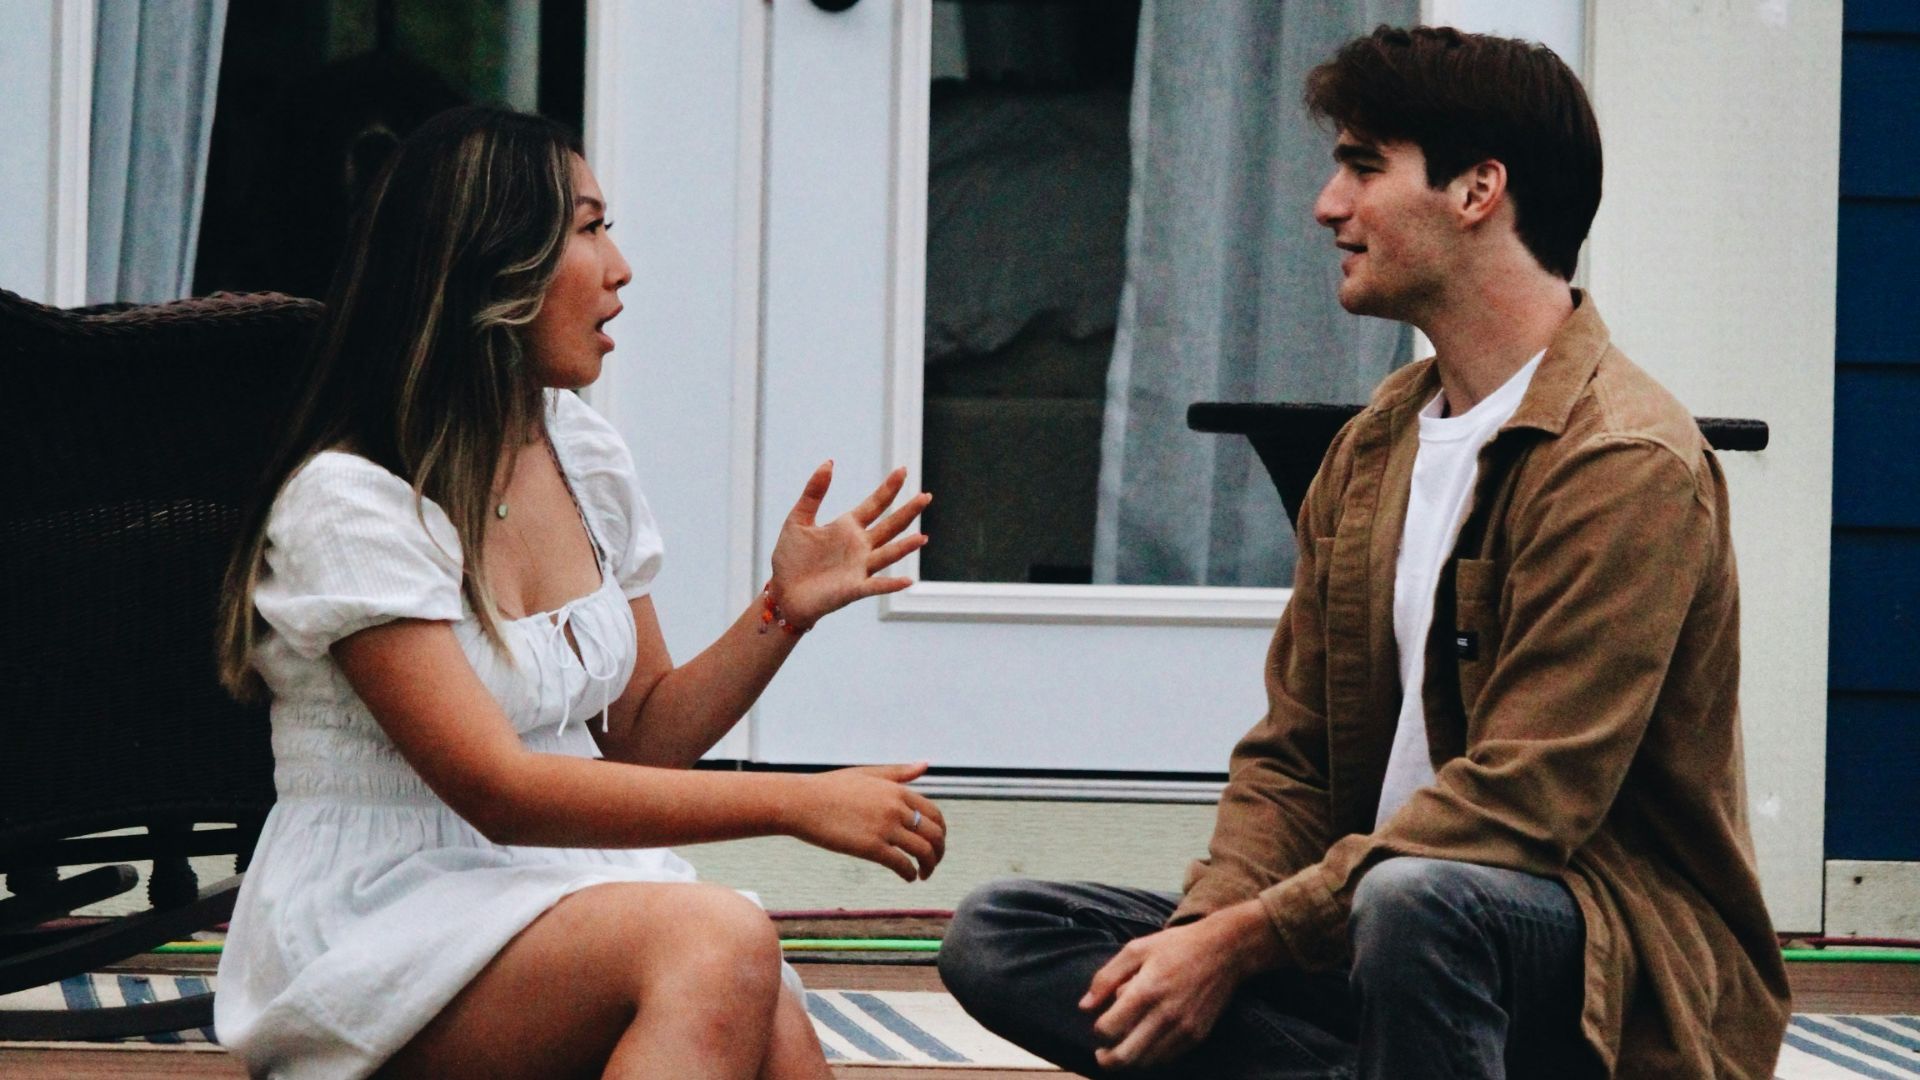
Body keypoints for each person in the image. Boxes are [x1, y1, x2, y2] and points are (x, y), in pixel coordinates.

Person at [940, 25, 1789, 1079]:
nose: (1326, 204)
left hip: (1600, 971)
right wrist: (1200, 937)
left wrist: (1242, 944)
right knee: (1004, 934)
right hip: (1376, 932)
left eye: (1362, 165)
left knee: (1418, 901)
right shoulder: (1378, 444)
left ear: (1477, 190)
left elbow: (1520, 809)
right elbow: (1294, 759)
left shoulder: (1621, 460)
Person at [211, 105, 946, 1080]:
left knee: (761, 997)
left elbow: (641, 735)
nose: (620, 268)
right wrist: (794, 802)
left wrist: (780, 612)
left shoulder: (580, 453)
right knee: (719, 940)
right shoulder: (352, 503)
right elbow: (498, 791)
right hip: (384, 916)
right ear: (492, 265)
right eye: (591, 229)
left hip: (562, 889)